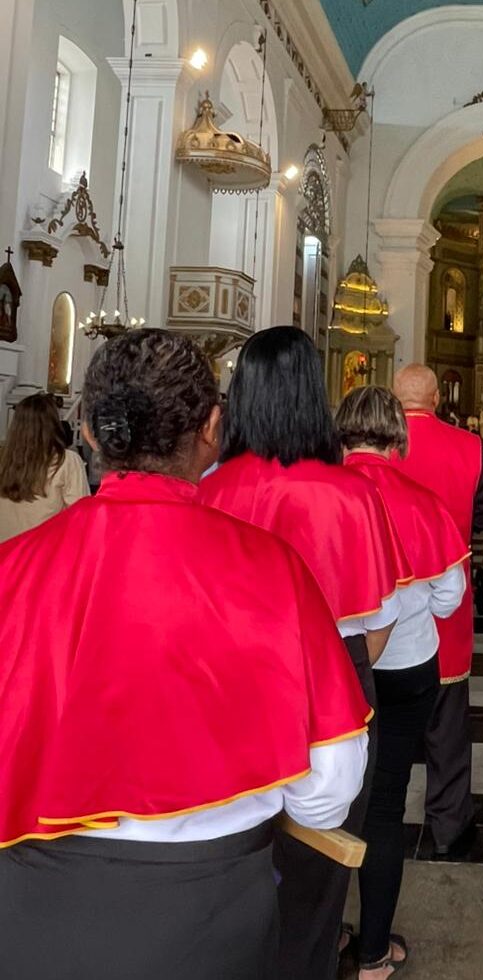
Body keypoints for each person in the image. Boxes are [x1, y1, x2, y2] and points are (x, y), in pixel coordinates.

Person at [0, 329, 369, 980]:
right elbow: (330, 788)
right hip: (210, 910)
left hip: (26, 905)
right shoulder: (272, 569)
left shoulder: (11, 569)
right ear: (212, 427)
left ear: (87, 430)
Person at [198, 327, 405, 980]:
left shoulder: (208, 486)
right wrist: (342, 670)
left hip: (221, 685)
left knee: (231, 846)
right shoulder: (352, 493)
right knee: (322, 855)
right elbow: (378, 621)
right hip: (335, 684)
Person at [336, 387, 468, 979]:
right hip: (409, 667)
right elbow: (451, 595)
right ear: (399, 435)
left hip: (332, 670)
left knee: (325, 799)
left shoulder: (320, 495)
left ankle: (321, 934)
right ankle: (372, 956)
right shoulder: (420, 500)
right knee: (385, 803)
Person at [391, 364, 483, 856]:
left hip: (381, 609)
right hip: (445, 609)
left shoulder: (371, 451)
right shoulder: (469, 446)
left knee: (376, 721)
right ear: (437, 398)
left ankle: (372, 820)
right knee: (448, 726)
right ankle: (449, 823)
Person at [0, 391, 89, 542]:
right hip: (42, 557)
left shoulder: (5, 460)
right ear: (52, 424)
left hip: (6, 555)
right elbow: (82, 518)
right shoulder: (66, 461)